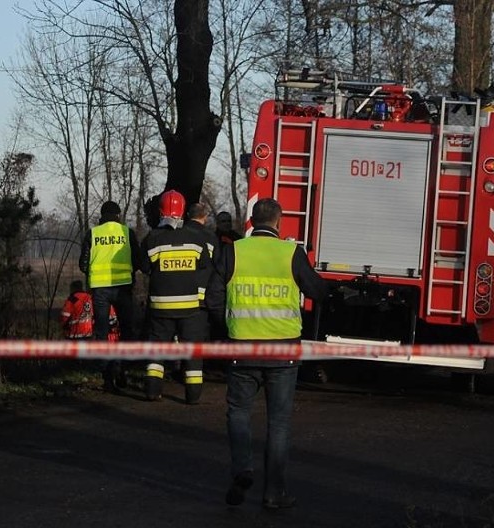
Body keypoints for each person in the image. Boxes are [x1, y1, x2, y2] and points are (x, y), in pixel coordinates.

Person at [207, 197, 327, 510]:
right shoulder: (291, 252)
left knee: (239, 411)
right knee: (279, 423)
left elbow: (213, 298)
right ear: (279, 222)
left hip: (242, 348)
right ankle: (274, 492)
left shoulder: (233, 250)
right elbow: (317, 291)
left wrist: (229, 327)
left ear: (251, 222)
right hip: (283, 350)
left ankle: (242, 468)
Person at [141, 190, 212, 404]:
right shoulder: (196, 239)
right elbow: (204, 265)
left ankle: (152, 392)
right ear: (182, 212)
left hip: (160, 308)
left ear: (161, 211)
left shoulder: (152, 238)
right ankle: (192, 397)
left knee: (157, 350)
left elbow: (144, 267)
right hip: (190, 308)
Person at [79, 200, 146, 393]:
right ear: (118, 215)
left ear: (102, 216)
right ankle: (123, 368)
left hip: (100, 290)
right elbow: (138, 261)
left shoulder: (93, 233)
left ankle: (107, 376)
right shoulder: (127, 233)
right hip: (123, 289)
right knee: (126, 330)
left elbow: (83, 265)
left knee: (102, 333)